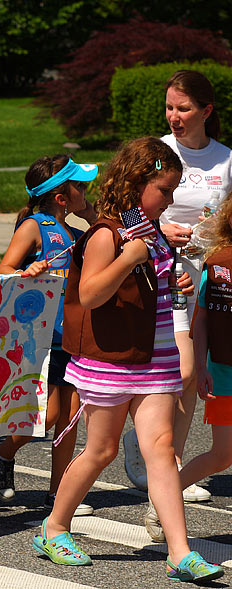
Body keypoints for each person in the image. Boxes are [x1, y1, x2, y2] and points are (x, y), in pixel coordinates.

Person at [32, 137, 223, 583]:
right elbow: (90, 294)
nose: (171, 199)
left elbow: (149, 281)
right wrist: (129, 258)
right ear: (137, 182)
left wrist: (173, 279)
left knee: (162, 450)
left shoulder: (148, 229)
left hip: (155, 357)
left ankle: (180, 552)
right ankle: (55, 526)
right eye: (165, 190)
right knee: (101, 449)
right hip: (112, 360)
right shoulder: (108, 233)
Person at [123, 70, 232, 501]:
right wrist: (158, 230)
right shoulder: (156, 153)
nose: (174, 116)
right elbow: (124, 208)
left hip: (208, 275)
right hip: (157, 266)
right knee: (181, 368)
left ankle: (168, 463)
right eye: (169, 107)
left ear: (206, 111)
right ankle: (147, 444)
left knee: (192, 374)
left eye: (183, 108)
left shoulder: (226, 158)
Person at [0, 155, 98, 515]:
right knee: (48, 417)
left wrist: (93, 215)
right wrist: (29, 270)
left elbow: (114, 238)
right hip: (43, 338)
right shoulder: (34, 226)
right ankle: (3, 449)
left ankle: (57, 492)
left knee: (69, 420)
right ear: (61, 197)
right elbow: (4, 268)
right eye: (79, 187)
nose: (87, 191)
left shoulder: (82, 232)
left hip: (75, 336)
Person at [144, 195, 232, 542]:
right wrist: (201, 365)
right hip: (225, 370)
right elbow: (204, 318)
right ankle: (163, 496)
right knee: (223, 455)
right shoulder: (221, 262)